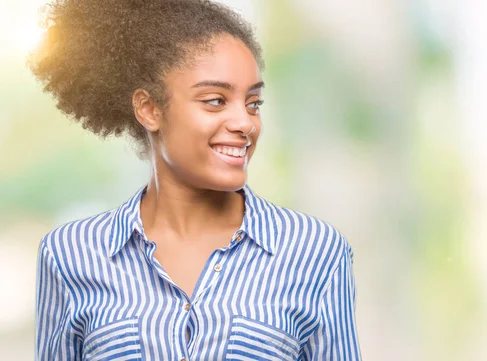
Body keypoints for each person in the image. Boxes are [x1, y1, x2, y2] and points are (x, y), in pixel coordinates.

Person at [29, 0, 361, 360]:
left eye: (253, 103)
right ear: (150, 109)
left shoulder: (316, 252)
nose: (245, 123)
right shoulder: (70, 255)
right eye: (216, 101)